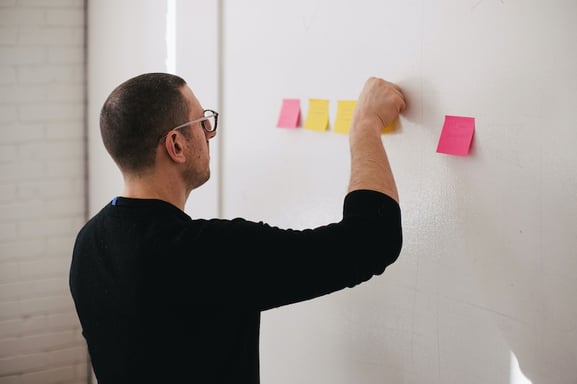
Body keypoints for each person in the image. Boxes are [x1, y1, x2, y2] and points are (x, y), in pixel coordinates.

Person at [69, 72, 406, 383]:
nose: (209, 133)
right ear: (176, 145)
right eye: (203, 123)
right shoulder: (207, 254)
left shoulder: (89, 243)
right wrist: (365, 124)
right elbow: (372, 240)